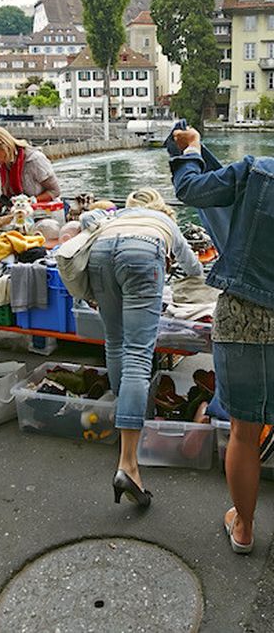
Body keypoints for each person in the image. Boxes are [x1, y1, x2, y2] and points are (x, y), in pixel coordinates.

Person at [170, 126, 274, 554]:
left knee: (244, 433)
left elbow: (190, 190)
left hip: (246, 317)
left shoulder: (257, 172)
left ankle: (245, 527)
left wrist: (192, 150)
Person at [82, 187, 203, 507]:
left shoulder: (116, 216)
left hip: (100, 253)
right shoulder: (164, 223)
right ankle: (128, 464)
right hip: (142, 256)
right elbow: (194, 269)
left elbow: (87, 218)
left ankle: (126, 419)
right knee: (138, 353)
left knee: (115, 342)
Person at [0, 125, 60, 213]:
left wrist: (29, 202)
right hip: (18, 212)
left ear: (4, 146)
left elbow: (55, 191)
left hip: (42, 212)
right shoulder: (4, 163)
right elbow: (6, 194)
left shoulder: (34, 159)